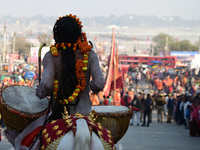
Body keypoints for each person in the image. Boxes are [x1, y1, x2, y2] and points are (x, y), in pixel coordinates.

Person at [4, 14, 107, 150]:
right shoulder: (90, 54)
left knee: (27, 141)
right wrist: (91, 86)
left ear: (56, 35)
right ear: (79, 34)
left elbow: (46, 85)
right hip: (86, 116)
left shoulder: (52, 56)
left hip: (59, 118)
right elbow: (99, 83)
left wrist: (40, 92)